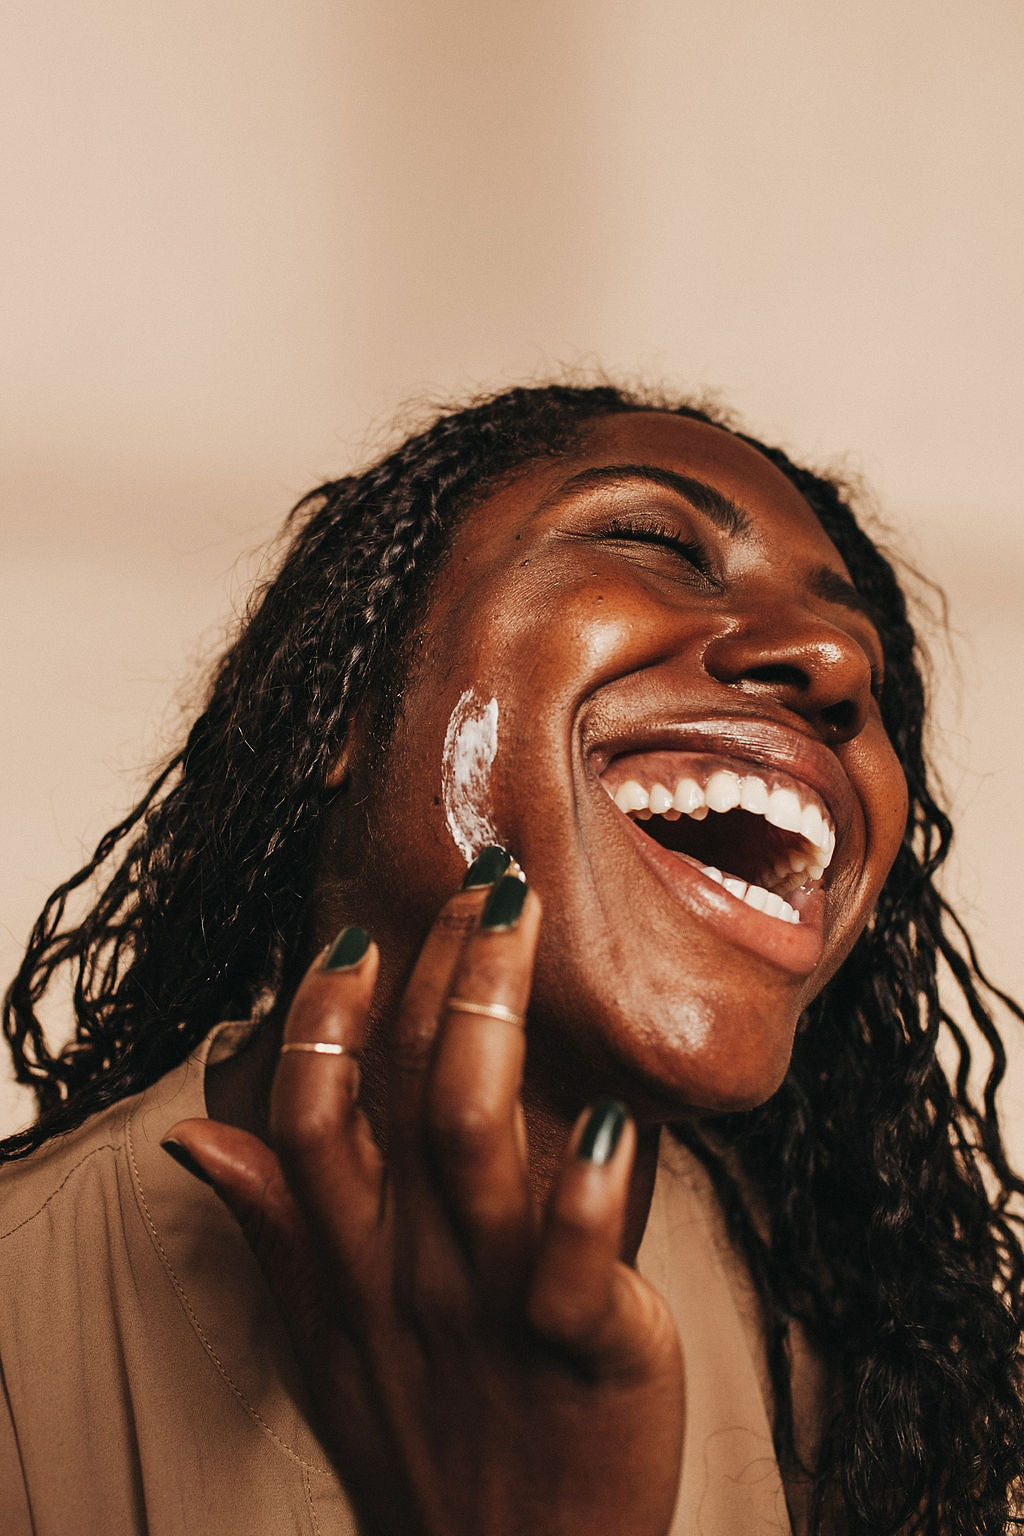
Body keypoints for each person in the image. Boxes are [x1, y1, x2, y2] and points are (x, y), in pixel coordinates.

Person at [1, 382, 1022, 1535]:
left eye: (868, 668)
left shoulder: (859, 1361)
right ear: (342, 696)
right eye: (653, 541)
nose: (834, 660)